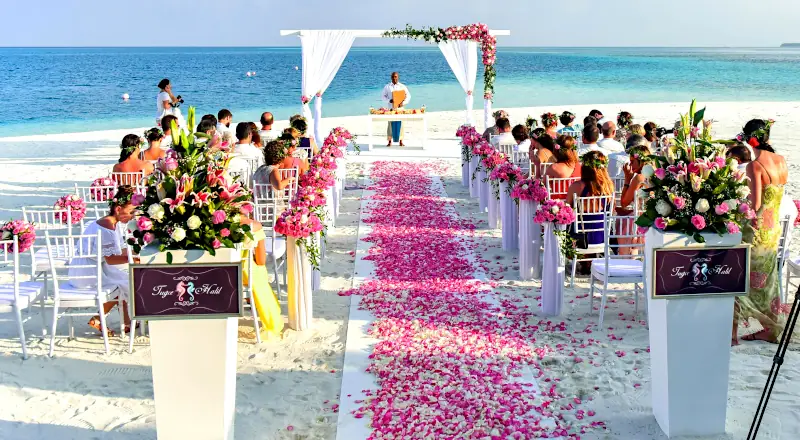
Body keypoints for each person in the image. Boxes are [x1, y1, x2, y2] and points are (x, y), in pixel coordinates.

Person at [734, 118, 789, 344]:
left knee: (740, 274)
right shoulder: (782, 161)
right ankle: (770, 328)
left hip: (756, 230)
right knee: (768, 280)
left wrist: (736, 201)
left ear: (750, 139)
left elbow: (754, 205)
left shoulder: (754, 165)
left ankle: (733, 333)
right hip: (773, 228)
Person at [71, 186, 138, 336]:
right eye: (131, 211)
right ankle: (98, 319)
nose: (133, 216)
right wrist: (133, 258)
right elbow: (111, 259)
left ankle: (126, 322)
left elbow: (118, 251)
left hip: (93, 267)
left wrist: (137, 252)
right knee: (122, 284)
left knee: (125, 279)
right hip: (87, 272)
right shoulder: (107, 227)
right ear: (118, 208)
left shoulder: (111, 222)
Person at [566, 151, 614, 271]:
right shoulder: (609, 186)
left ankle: (584, 260)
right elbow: (611, 212)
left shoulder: (576, 186)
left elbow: (567, 209)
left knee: (570, 224)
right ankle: (590, 261)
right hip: (602, 236)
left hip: (581, 237)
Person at [239, 216, 284, 338]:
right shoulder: (254, 226)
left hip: (214, 272)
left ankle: (250, 299)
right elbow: (261, 260)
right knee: (259, 270)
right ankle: (267, 315)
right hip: (243, 273)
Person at [381, 71, 411, 146]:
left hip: (400, 108)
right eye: (393, 77)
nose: (394, 78)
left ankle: (401, 141)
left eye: (396, 77)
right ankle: (389, 141)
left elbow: (408, 96)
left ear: (398, 77)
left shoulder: (402, 86)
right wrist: (389, 100)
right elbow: (383, 96)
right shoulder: (387, 86)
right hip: (391, 108)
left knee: (401, 124)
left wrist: (403, 103)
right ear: (391, 77)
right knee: (390, 124)